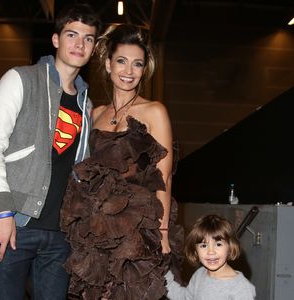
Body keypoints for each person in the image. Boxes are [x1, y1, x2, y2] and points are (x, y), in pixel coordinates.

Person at [60, 24, 184, 300]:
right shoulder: (95, 114)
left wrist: (162, 233)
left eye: (137, 64)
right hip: (96, 230)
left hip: (138, 231)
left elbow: (164, 176)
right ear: (107, 64)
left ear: (144, 69)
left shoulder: (154, 111)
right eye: (122, 61)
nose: (129, 71)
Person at [0, 3, 101, 299]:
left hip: (61, 235)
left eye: (88, 38)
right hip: (14, 224)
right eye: (72, 34)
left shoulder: (86, 105)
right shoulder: (19, 79)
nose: (80, 44)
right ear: (55, 39)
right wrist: (1, 213)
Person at [165, 214, 256, 300]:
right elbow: (185, 297)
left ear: (230, 247)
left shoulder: (240, 288)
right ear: (196, 250)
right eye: (204, 246)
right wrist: (164, 277)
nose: (211, 252)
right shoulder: (199, 274)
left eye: (218, 244)